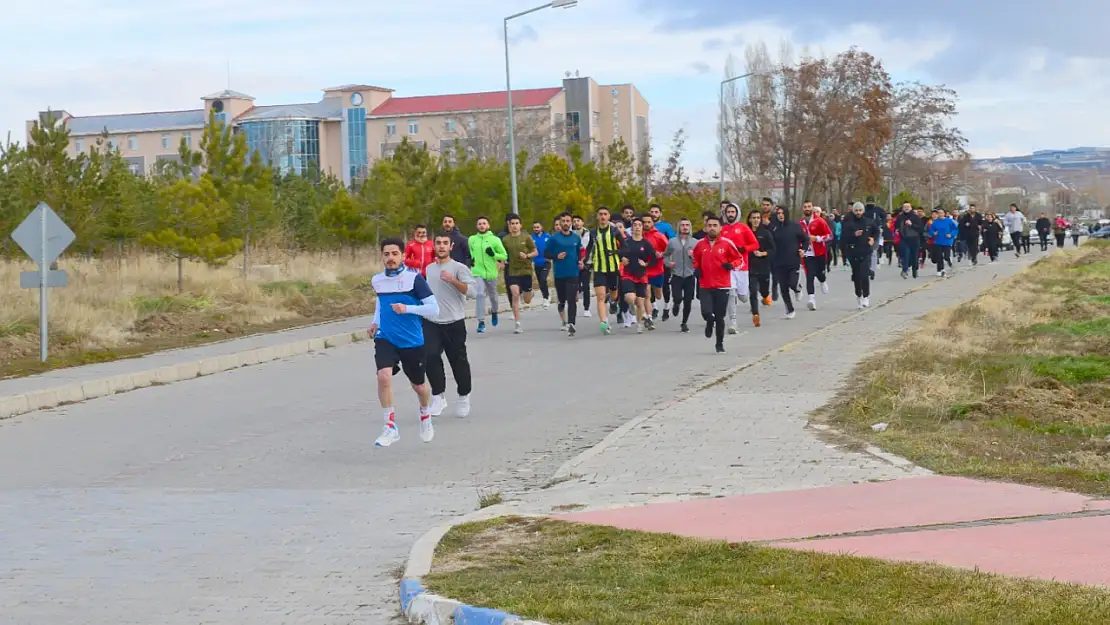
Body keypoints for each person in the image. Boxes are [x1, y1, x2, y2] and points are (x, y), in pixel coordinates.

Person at [370, 237, 441, 448]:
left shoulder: (415, 279)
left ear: (402, 256)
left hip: (411, 341)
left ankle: (425, 414)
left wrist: (408, 308)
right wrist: (375, 322)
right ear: (382, 256)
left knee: (419, 387)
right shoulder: (377, 280)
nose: (390, 258)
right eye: (386, 254)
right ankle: (390, 427)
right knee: (383, 376)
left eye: (394, 254)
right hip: (386, 337)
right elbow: (380, 302)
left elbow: (434, 309)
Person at [424, 233, 476, 419]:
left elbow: (473, 292)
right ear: (434, 246)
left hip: (454, 322)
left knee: (458, 361)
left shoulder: (458, 268)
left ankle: (464, 396)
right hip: (432, 322)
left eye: (445, 243)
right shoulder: (429, 269)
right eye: (438, 243)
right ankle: (438, 396)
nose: (441, 246)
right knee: (429, 357)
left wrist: (453, 281)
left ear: (451, 246)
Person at [692, 214, 742, 354]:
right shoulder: (700, 244)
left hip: (722, 285)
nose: (712, 228)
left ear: (720, 227)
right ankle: (709, 322)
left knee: (719, 316)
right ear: (705, 227)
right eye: (709, 226)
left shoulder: (727, 243)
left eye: (715, 226)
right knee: (706, 312)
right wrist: (696, 268)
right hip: (705, 284)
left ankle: (719, 344)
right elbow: (695, 258)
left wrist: (731, 265)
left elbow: (739, 259)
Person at [545, 212, 584, 337]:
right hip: (559, 274)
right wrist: (556, 256)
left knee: (572, 299)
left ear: (571, 223)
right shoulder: (554, 239)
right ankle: (561, 305)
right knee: (562, 299)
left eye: (568, 221)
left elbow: (579, 253)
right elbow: (546, 254)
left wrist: (580, 262)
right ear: (560, 223)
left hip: (573, 273)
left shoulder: (576, 238)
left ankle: (572, 323)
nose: (566, 223)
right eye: (563, 221)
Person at [586, 206, 624, 335]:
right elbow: (588, 248)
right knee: (600, 296)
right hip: (598, 268)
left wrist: (614, 252)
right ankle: (604, 322)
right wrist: (585, 260)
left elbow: (625, 248)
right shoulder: (593, 233)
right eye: (600, 214)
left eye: (605, 214)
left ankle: (614, 302)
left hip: (613, 267)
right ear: (597, 217)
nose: (602, 217)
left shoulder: (614, 231)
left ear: (608, 217)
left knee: (614, 294)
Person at [720, 202, 758, 332]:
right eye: (728, 212)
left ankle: (744, 294)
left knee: (742, 296)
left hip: (742, 267)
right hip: (729, 268)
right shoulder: (722, 229)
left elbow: (755, 244)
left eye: (733, 212)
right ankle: (733, 322)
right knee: (731, 293)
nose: (730, 214)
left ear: (737, 213)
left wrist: (744, 248)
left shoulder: (743, 228)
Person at [467, 216, 507, 333]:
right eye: (479, 223)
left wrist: (493, 254)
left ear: (488, 226)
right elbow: (471, 253)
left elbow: (504, 255)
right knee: (479, 294)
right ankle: (481, 321)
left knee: (493, 297)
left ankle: (494, 311)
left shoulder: (495, 240)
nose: (482, 225)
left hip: (491, 273)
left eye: (484, 223)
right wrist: (471, 260)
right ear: (476, 226)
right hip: (477, 272)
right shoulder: (472, 239)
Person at [769, 205, 809, 320]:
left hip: (793, 261)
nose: (780, 215)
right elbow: (770, 242)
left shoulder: (795, 226)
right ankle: (790, 310)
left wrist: (803, 249)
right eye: (778, 213)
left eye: (782, 213)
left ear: (786, 214)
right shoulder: (774, 228)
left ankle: (798, 288)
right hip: (779, 262)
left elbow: (806, 239)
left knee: (792, 283)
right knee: (783, 287)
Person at [618, 217, 656, 333]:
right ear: (632, 228)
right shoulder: (626, 242)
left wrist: (646, 264)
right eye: (635, 225)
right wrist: (621, 258)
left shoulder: (646, 243)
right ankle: (641, 314)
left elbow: (654, 259)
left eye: (640, 225)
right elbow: (617, 253)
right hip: (628, 273)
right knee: (630, 297)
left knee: (640, 300)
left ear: (642, 228)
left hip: (641, 275)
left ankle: (640, 323)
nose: (638, 227)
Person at [501, 214, 537, 334]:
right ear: (509, 225)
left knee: (526, 301)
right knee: (515, 294)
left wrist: (527, 256)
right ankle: (517, 324)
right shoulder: (505, 240)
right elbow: (502, 254)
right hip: (512, 271)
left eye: (517, 223)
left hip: (525, 270)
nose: (515, 226)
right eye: (512, 224)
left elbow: (535, 252)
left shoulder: (526, 237)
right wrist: (502, 261)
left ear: (520, 225)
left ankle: (530, 293)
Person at [841, 202, 879, 309]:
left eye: (860, 210)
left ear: (863, 211)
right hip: (853, 252)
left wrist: (873, 239)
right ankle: (858, 295)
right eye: (856, 210)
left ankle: (866, 296)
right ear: (853, 211)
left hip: (865, 251)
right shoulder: (848, 223)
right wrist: (854, 234)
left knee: (864, 275)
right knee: (856, 276)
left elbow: (876, 232)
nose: (858, 212)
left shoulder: (869, 222)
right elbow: (844, 238)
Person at [664, 217, 698, 332]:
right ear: (679, 227)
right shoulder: (672, 241)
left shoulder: (695, 242)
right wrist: (669, 263)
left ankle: (684, 322)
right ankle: (676, 304)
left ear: (690, 227)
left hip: (690, 275)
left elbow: (699, 259)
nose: (685, 227)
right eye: (682, 225)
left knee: (688, 300)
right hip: (677, 274)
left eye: (687, 225)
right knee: (677, 296)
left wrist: (693, 257)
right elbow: (666, 255)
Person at [800, 201, 832, 311]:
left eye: (809, 206)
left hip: (820, 253)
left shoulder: (819, 221)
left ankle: (823, 281)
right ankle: (811, 299)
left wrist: (817, 238)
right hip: (807, 254)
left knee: (819, 273)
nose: (807, 209)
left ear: (812, 208)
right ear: (802, 209)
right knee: (810, 276)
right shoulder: (800, 223)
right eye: (805, 207)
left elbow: (829, 236)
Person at [745, 208, 775, 327]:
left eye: (758, 218)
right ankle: (755, 314)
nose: (756, 220)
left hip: (764, 267)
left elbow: (773, 250)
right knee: (753, 292)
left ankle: (765, 296)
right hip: (750, 268)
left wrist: (763, 253)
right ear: (750, 219)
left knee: (764, 291)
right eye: (754, 218)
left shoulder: (765, 233)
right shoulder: (746, 233)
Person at [641, 213, 670, 323]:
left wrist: (661, 254)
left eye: (649, 222)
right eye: (644, 222)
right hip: (644, 271)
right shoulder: (639, 236)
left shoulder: (659, 236)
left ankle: (655, 301)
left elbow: (669, 250)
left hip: (657, 270)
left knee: (658, 295)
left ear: (653, 223)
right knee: (646, 293)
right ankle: (649, 317)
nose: (646, 224)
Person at [648, 204, 677, 317]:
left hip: (663, 260)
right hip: (649, 261)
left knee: (664, 284)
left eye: (656, 212)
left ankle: (666, 307)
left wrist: (669, 257)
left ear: (660, 214)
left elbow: (673, 242)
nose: (654, 214)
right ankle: (654, 307)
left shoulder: (666, 227)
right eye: (652, 212)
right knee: (648, 285)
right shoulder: (645, 226)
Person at [895, 202, 925, 279]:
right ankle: (904, 270)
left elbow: (921, 228)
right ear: (902, 208)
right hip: (904, 239)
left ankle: (915, 270)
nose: (906, 208)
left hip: (914, 239)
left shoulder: (915, 217)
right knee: (905, 255)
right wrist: (897, 230)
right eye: (905, 207)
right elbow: (896, 226)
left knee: (914, 256)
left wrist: (912, 224)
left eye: (908, 206)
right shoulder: (900, 217)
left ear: (911, 208)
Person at [927, 209, 958, 277]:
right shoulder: (935, 222)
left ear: (944, 214)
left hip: (947, 241)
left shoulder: (949, 221)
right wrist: (934, 233)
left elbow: (955, 229)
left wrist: (951, 234)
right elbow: (931, 230)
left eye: (942, 213)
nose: (940, 214)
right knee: (939, 256)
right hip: (938, 241)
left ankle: (949, 259)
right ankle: (942, 269)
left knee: (946, 256)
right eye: (939, 213)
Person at [530, 221, 553, 308]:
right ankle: (545, 297)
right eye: (534, 227)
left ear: (541, 227)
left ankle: (546, 297)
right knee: (540, 282)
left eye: (537, 227)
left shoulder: (547, 237)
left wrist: (551, 256)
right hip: (537, 263)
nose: (536, 229)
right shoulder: (531, 238)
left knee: (543, 279)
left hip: (546, 262)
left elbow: (553, 247)